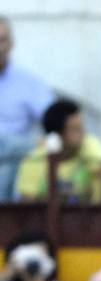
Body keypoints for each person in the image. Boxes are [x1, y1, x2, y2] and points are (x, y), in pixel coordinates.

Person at [13, 99, 101, 203]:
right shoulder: (34, 159)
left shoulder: (89, 144)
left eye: (82, 127)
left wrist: (100, 213)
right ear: (58, 136)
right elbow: (27, 205)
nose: (83, 133)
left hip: (89, 218)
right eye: (76, 129)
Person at [0, 16, 55, 200]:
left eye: (2, 40)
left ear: (11, 44)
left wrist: (44, 142)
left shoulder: (29, 83)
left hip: (15, 157)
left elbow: (55, 121)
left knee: (17, 150)